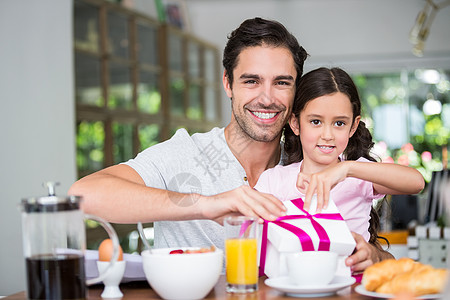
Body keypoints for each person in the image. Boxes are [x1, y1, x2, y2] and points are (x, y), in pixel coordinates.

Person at [69, 18, 390, 272]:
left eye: (281, 82)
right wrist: (207, 204)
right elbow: (82, 195)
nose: (266, 97)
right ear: (228, 83)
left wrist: (372, 254)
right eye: (251, 81)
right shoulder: (186, 153)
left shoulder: (312, 163)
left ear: (297, 94)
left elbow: (380, 261)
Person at [254, 67, 425, 274]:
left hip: (352, 288)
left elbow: (416, 182)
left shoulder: (357, 175)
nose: (328, 134)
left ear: (353, 127)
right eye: (315, 122)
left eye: (339, 123)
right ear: (295, 123)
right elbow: (253, 239)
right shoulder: (274, 180)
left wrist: (346, 168)